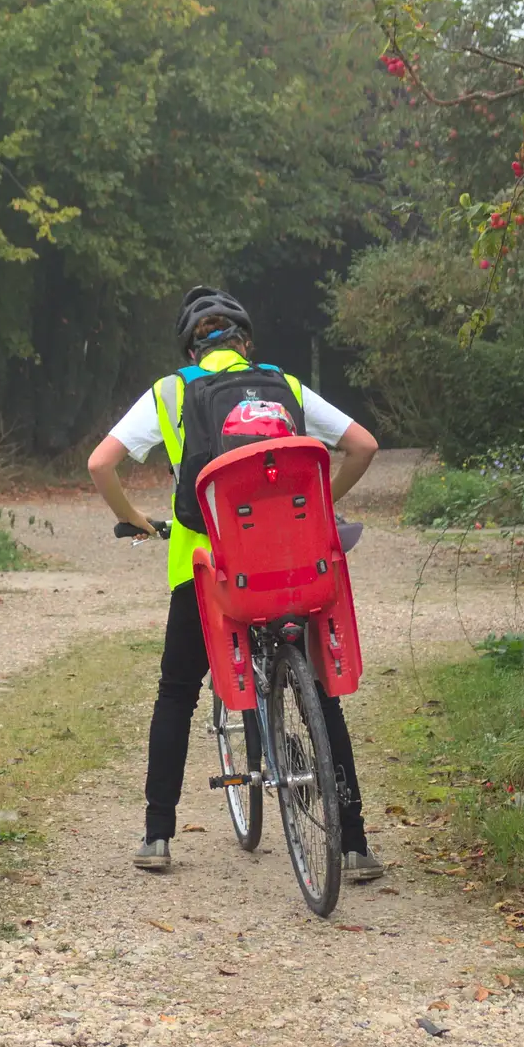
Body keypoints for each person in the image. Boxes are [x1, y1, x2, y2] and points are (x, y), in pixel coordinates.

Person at [87, 286, 383, 877]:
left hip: (211, 568)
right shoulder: (287, 387)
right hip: (296, 562)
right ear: (246, 343)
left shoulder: (172, 392)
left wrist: (135, 521)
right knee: (323, 695)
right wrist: (322, 505)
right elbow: (363, 445)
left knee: (177, 690)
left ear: (192, 346)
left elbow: (101, 463)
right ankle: (353, 845)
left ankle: (158, 835)